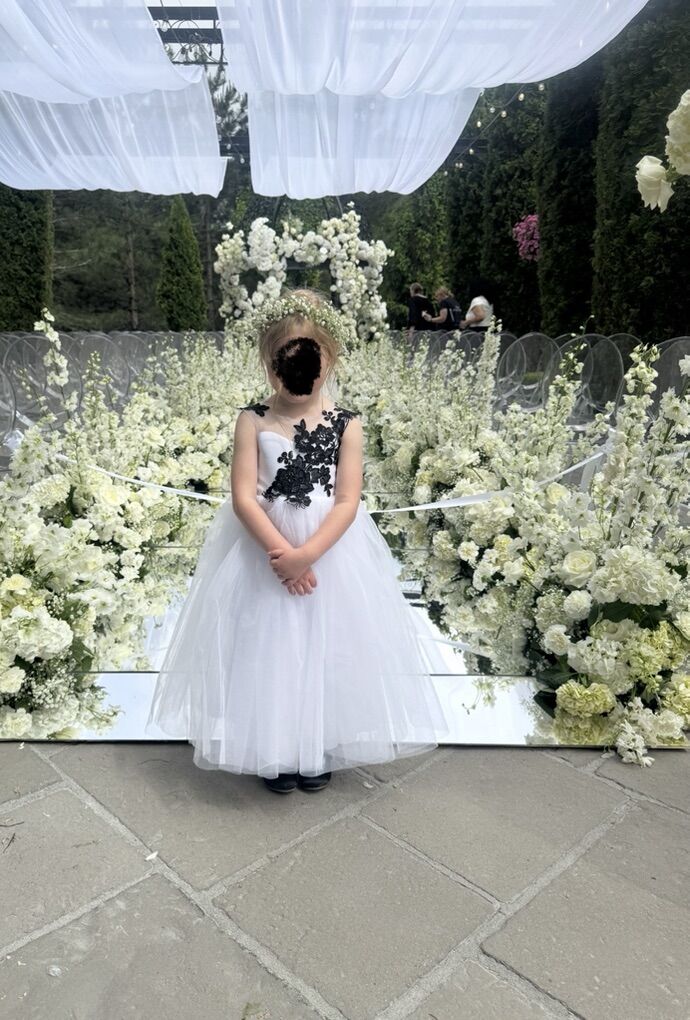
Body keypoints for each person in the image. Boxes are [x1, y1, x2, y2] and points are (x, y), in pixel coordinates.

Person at [146, 289, 448, 795]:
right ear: (269, 363)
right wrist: (282, 555)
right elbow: (244, 496)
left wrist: (307, 555)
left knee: (327, 646)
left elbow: (348, 499)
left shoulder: (345, 423)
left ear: (328, 360)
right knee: (269, 647)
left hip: (330, 551)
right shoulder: (253, 419)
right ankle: (276, 745)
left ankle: (318, 742)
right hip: (260, 550)